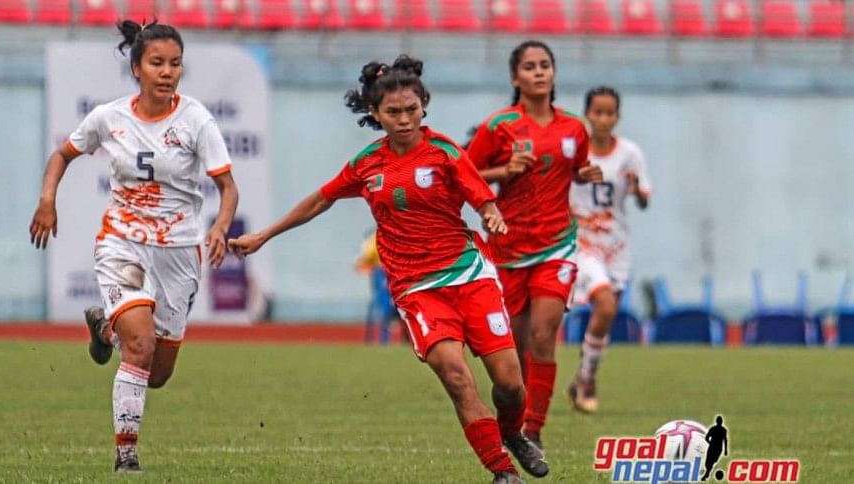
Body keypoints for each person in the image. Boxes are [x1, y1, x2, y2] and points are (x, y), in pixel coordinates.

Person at [229, 55, 546, 484]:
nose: (404, 119)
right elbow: (320, 200)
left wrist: (491, 214)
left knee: (510, 383)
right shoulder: (367, 164)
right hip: (416, 289)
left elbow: (481, 196)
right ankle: (502, 471)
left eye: (411, 109)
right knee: (456, 376)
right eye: (393, 112)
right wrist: (265, 235)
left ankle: (512, 432)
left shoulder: (445, 152)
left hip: (469, 275)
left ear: (424, 105)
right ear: (375, 113)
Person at [28, 19, 239, 473]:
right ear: (136, 69)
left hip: (179, 253)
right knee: (140, 347)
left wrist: (220, 226)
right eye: (157, 63)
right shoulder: (109, 117)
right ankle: (126, 457)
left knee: (157, 374)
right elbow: (62, 154)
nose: (167, 72)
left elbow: (228, 188)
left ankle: (106, 330)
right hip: (122, 244)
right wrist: (47, 200)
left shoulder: (196, 120)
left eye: (175, 64)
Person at [465, 40, 602, 450]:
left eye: (545, 65)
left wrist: (583, 174)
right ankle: (515, 424)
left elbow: (574, 169)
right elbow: (466, 175)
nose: (539, 72)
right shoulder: (499, 126)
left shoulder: (574, 127)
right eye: (530, 66)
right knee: (517, 348)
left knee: (544, 335)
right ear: (515, 77)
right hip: (508, 248)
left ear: (554, 73)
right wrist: (503, 171)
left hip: (557, 244)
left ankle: (534, 432)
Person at [565, 86, 651, 413]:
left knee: (607, 314)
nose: (603, 119)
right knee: (604, 305)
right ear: (587, 114)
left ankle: (583, 376)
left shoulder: (630, 153)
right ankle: (587, 381)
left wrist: (637, 189)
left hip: (616, 246)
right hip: (583, 243)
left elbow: (644, 198)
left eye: (609, 113)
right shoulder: (575, 150)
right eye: (597, 112)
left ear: (618, 116)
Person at [702, 416, 728, 481]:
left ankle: (706, 475)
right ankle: (706, 474)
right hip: (716, 448)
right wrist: (725, 450)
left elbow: (725, 440)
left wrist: (710, 443)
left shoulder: (717, 429)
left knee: (711, 462)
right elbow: (707, 437)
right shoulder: (721, 430)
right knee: (708, 463)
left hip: (715, 448)